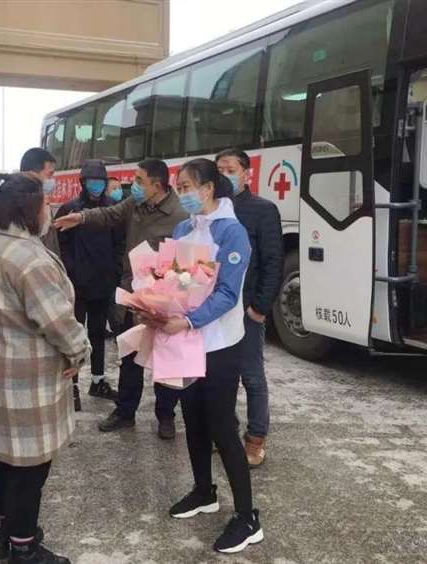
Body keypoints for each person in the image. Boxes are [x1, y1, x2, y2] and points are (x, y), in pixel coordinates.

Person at [0, 171, 90, 564]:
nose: (49, 209)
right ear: (29, 208)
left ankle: (3, 531)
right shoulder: (28, 258)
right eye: (46, 202)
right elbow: (57, 321)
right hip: (29, 377)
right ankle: (23, 546)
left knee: (5, 456)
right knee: (30, 466)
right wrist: (80, 352)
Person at [163, 158, 263, 554]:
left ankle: (248, 517)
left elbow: (227, 294)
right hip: (186, 342)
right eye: (178, 187)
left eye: (187, 187)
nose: (182, 193)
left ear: (208, 189)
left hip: (220, 344)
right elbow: (174, 281)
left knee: (222, 426)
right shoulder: (182, 229)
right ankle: (204, 491)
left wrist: (188, 320)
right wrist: (158, 306)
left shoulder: (232, 232)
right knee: (193, 418)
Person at [54, 158, 188, 439]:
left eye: (139, 181)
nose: (133, 185)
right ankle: (125, 412)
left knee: (165, 358)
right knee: (130, 356)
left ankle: (166, 415)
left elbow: (187, 261)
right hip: (133, 295)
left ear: (156, 185)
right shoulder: (134, 204)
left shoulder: (180, 215)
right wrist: (80, 217)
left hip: (164, 299)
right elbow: (108, 214)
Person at [216, 149, 283, 467]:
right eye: (219, 170)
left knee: (252, 376)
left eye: (230, 169)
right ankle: (225, 433)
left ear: (247, 173)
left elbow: (273, 261)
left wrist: (259, 307)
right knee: (220, 376)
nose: (224, 175)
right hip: (216, 308)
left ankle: (255, 439)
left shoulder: (262, 210)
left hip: (245, 310)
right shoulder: (212, 211)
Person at [55, 160, 123, 401]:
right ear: (83, 182)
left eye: (100, 181)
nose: (96, 185)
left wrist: (115, 273)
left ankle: (98, 381)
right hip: (76, 285)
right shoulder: (69, 209)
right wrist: (71, 270)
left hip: (103, 283)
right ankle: (71, 386)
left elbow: (119, 243)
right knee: (73, 336)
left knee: (98, 333)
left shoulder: (113, 208)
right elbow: (61, 244)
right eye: (92, 181)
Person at [20, 147, 60, 255]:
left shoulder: (43, 201)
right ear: (33, 174)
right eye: (50, 174)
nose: (52, 180)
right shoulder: (20, 205)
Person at [104, 177, 125, 337]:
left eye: (120, 188)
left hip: (123, 266)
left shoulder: (127, 210)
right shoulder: (106, 213)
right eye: (114, 188)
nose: (118, 191)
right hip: (109, 268)